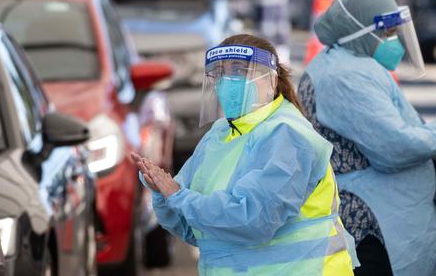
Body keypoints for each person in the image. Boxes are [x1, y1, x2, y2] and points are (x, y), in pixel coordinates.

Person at [298, 0, 436, 275]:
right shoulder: (345, 77)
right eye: (387, 33)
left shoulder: (352, 66)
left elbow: (392, 130)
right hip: (365, 228)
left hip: (372, 225)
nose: (394, 42)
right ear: (360, 31)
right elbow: (395, 146)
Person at [133, 34, 354, 275]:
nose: (227, 81)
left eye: (239, 71)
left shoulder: (289, 135)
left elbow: (254, 220)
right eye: (219, 73)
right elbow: (195, 229)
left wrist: (178, 196)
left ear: (271, 81)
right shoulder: (219, 135)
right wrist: (163, 195)